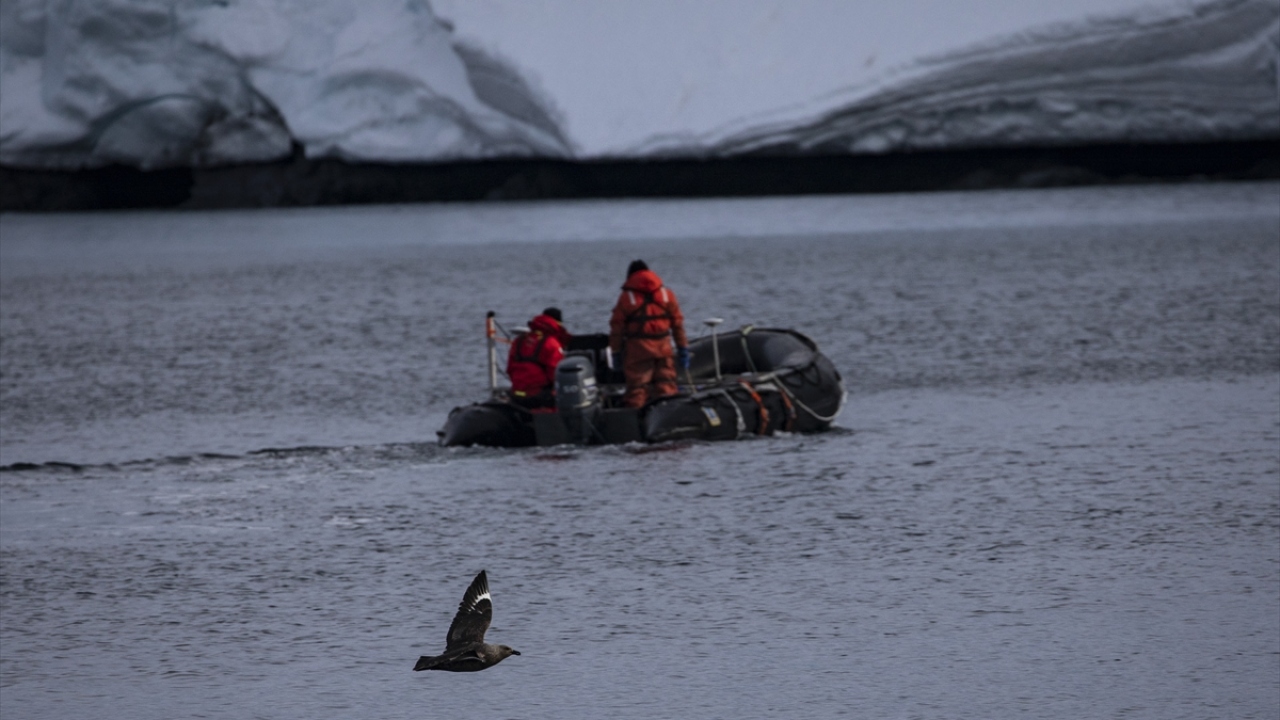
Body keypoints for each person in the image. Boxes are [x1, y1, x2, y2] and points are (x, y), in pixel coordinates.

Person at [609, 260, 688, 408]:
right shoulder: (667, 295)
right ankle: (668, 419)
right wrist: (683, 347)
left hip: (638, 351)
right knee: (666, 386)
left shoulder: (627, 298)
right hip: (664, 348)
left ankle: (636, 423)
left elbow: (617, 329)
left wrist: (616, 352)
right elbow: (678, 324)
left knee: (637, 390)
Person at [507, 307, 569, 409]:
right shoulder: (552, 344)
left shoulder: (518, 341)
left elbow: (510, 369)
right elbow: (556, 375)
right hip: (539, 397)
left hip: (517, 395)